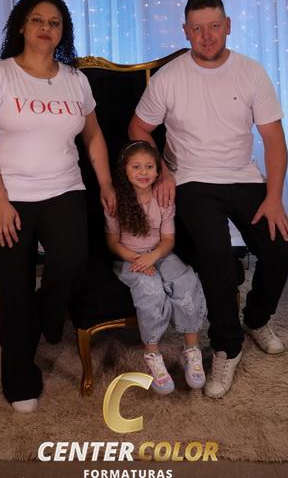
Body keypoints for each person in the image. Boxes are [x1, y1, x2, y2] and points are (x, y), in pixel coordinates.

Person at [128, 0, 288, 399]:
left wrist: (273, 197)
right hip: (191, 180)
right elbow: (138, 129)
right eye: (197, 29)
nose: (207, 36)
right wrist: (164, 170)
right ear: (186, 31)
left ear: (228, 26)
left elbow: (274, 140)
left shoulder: (251, 72)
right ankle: (226, 347)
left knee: (279, 249)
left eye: (214, 26)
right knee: (216, 255)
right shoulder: (169, 77)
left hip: (242, 176)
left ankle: (256, 319)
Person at [0, 0, 115, 413]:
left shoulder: (75, 80)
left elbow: (93, 135)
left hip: (64, 189)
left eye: (54, 22)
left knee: (71, 263)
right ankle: (19, 379)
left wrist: (105, 183)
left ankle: (45, 317)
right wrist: (0, 201)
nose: (45, 28)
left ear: (62, 31)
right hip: (10, 196)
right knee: (14, 289)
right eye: (37, 20)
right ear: (21, 25)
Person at [105, 140, 206, 395]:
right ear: (125, 169)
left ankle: (191, 350)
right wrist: (138, 260)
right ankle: (152, 354)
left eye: (149, 166)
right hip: (129, 258)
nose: (143, 172)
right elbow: (113, 242)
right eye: (136, 167)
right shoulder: (116, 199)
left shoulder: (162, 199)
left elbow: (168, 239)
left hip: (160, 253)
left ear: (158, 171)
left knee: (185, 280)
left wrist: (153, 257)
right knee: (150, 289)